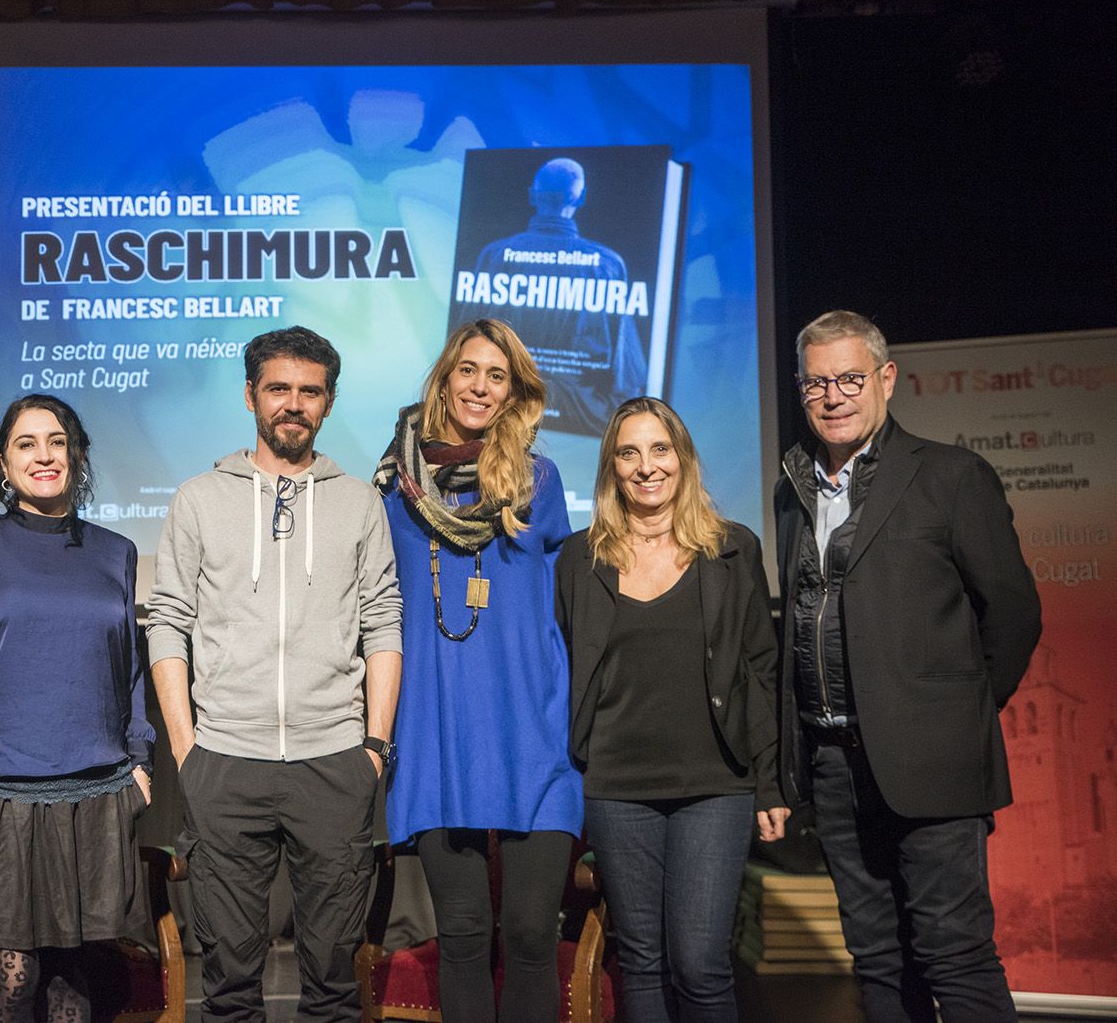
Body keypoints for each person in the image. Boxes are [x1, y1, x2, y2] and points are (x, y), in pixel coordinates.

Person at [776, 311, 1040, 1022]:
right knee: (878, 962)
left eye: (850, 379)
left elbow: (1013, 614)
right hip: (834, 764)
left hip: (933, 762)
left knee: (953, 955)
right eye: (816, 383)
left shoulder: (951, 476)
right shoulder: (793, 491)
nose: (834, 396)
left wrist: (959, 717)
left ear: (886, 379)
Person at [147, 326, 403, 1021]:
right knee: (228, 985)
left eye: (310, 391)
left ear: (328, 401)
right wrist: (185, 750)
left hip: (334, 763)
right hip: (225, 763)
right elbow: (167, 622)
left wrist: (373, 748)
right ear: (251, 395)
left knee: (332, 983)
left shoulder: (357, 502)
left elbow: (383, 623)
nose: (294, 403)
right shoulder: (200, 498)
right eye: (279, 389)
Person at [0, 394, 154, 1023]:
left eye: (56, 442)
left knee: (74, 984)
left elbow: (129, 669)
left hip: (93, 789)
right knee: (12, 980)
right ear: (3, 464)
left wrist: (141, 758)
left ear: (77, 455)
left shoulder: (116, 551)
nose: (44, 455)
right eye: (26, 443)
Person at [372, 317, 583, 1021]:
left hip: (534, 734)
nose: (481, 386)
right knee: (461, 936)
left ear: (515, 390)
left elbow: (569, 601)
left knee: (528, 935)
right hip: (437, 736)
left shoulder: (538, 482)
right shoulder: (394, 490)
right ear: (445, 376)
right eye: (470, 370)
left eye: (498, 375)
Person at [555, 396, 788, 1023]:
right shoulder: (580, 559)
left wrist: (770, 781)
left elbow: (761, 672)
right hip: (615, 787)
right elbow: (562, 672)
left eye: (660, 450)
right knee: (641, 962)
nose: (646, 466)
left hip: (715, 785)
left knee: (700, 963)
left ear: (682, 459)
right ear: (611, 467)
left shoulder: (732, 550)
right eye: (629, 453)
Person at [466, 156, 644, 436]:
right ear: (581, 197)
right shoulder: (608, 264)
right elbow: (627, 373)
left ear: (532, 195)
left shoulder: (494, 255)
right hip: (583, 421)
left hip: (498, 416)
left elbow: (465, 347)